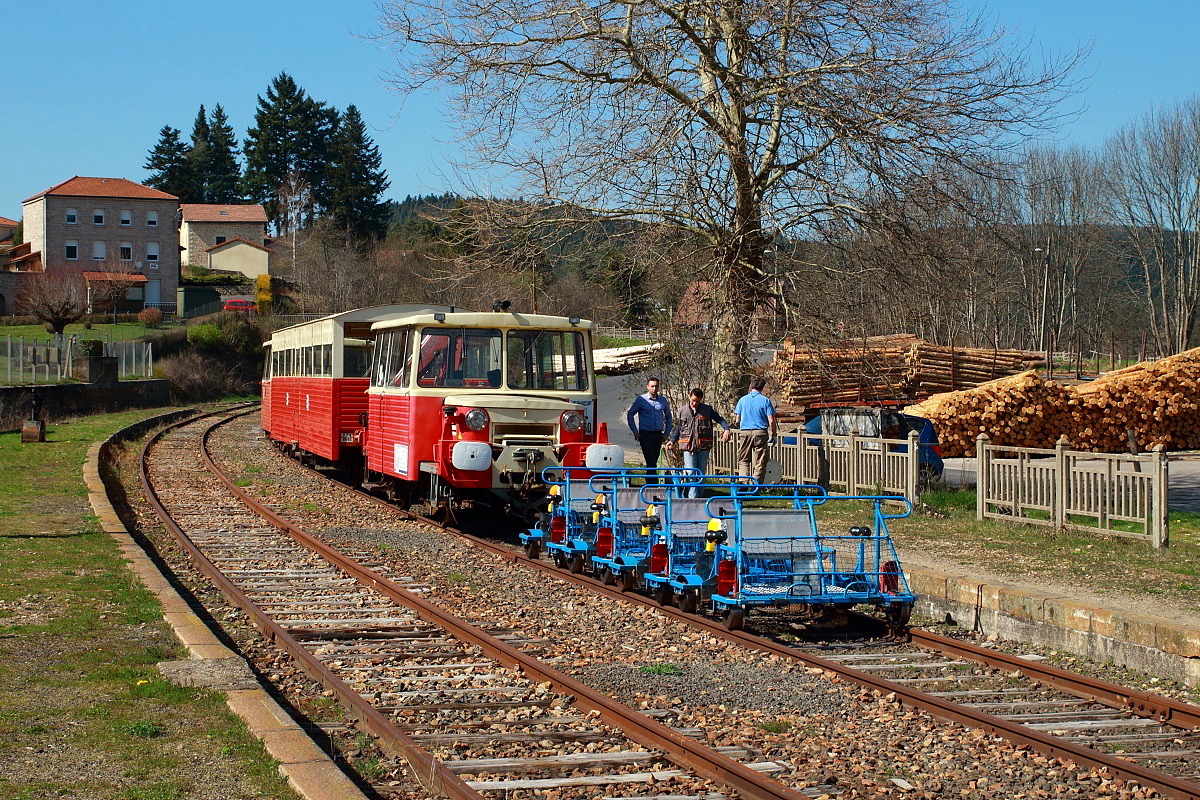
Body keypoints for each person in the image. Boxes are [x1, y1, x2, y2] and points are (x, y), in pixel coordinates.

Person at [666, 388, 732, 497]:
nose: (695, 403)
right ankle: (692, 499)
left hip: (703, 446)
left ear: (701, 399)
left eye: (697, 401)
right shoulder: (682, 410)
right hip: (688, 446)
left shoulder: (707, 410)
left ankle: (699, 498)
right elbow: (679, 427)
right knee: (691, 473)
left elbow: (720, 420)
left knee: (700, 474)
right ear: (689, 396)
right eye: (693, 400)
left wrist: (726, 429)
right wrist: (672, 441)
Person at [732, 376, 777, 484]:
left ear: (750, 386)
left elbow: (737, 419)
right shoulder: (765, 401)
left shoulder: (742, 400)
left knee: (743, 459)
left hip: (745, 431)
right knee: (760, 461)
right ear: (762, 388)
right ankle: (755, 485)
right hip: (760, 432)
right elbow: (771, 421)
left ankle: (743, 482)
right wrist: (774, 434)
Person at [626, 376, 672, 472]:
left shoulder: (662, 401)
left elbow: (668, 416)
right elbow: (630, 414)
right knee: (650, 461)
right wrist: (635, 431)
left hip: (658, 434)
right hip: (645, 434)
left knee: (653, 460)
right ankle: (652, 484)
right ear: (647, 386)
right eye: (652, 386)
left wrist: (667, 432)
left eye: (656, 386)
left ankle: (650, 483)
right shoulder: (641, 400)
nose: (654, 389)